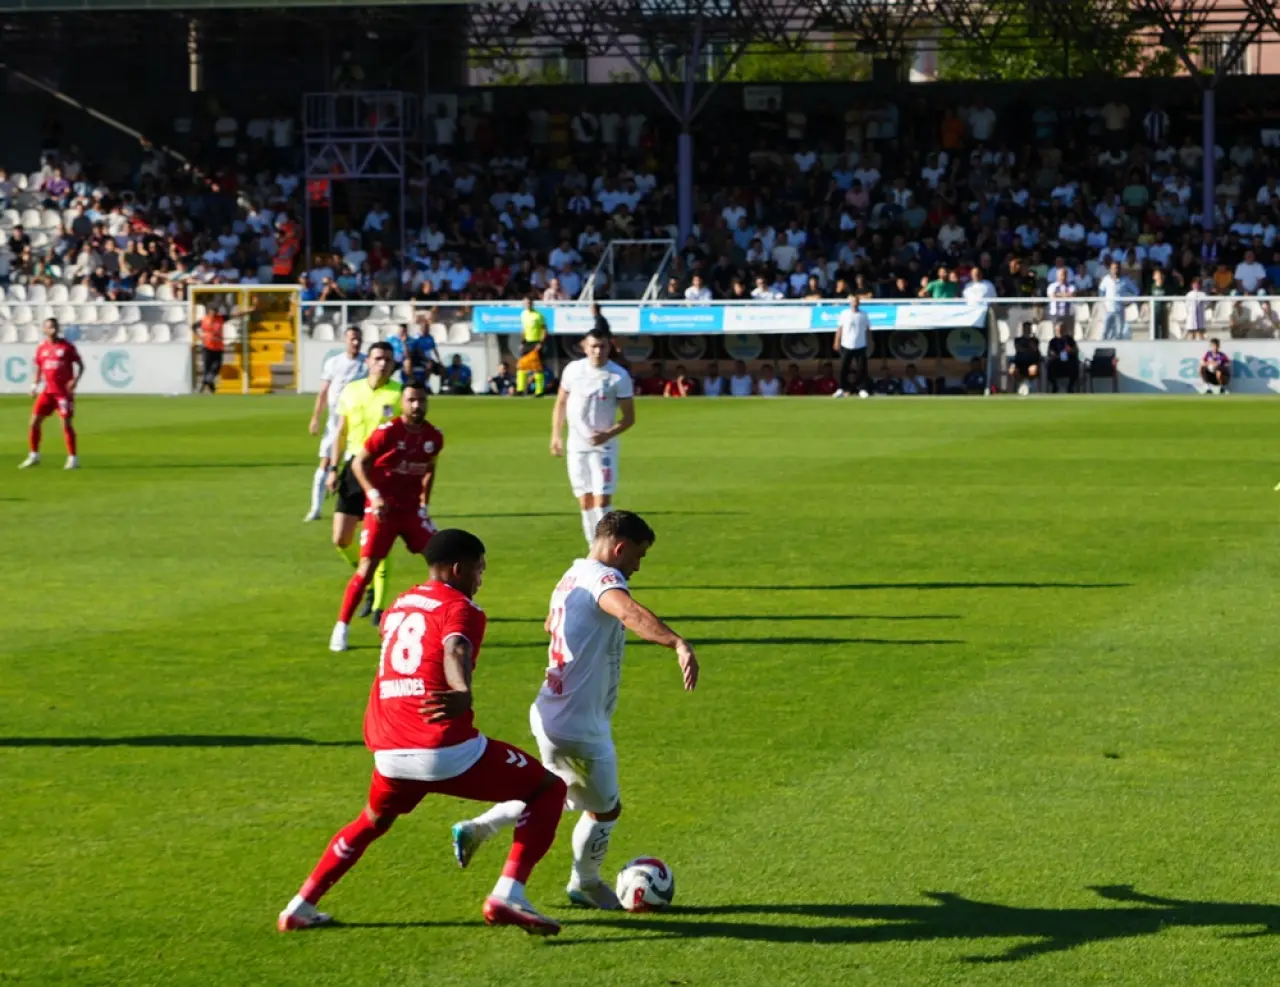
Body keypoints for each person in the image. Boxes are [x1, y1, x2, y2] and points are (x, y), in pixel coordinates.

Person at [280, 529, 568, 935]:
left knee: (370, 821)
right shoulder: (462, 607)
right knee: (548, 789)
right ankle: (509, 893)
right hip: (442, 747)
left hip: (389, 747)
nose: (481, 578)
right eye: (479, 570)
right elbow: (455, 648)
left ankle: (299, 906)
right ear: (458, 569)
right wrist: (462, 691)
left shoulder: (399, 603)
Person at [451, 512, 697, 911]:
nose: (637, 566)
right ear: (620, 548)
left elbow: (553, 624)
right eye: (639, 555)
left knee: (556, 792)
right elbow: (628, 613)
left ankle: (477, 829)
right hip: (579, 725)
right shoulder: (604, 578)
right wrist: (677, 643)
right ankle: (584, 882)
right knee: (604, 810)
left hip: (552, 710)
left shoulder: (571, 575)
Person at [330, 381, 442, 652]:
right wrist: (374, 494)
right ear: (402, 403)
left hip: (411, 511)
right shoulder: (388, 432)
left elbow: (429, 469)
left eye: (421, 400)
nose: (417, 406)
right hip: (384, 510)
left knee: (443, 558)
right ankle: (341, 628)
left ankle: (443, 621)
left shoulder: (433, 437)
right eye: (412, 400)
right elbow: (359, 462)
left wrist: (424, 503)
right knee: (367, 567)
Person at [328, 342, 402, 625]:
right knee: (341, 539)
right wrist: (333, 468)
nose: (382, 363)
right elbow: (342, 432)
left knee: (378, 540)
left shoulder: (398, 394)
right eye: (377, 358)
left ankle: (380, 607)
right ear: (368, 361)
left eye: (387, 359)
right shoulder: (352, 390)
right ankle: (366, 579)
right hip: (351, 468)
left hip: (383, 472)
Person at [550, 326, 636, 546]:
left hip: (604, 447)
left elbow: (629, 418)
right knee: (585, 500)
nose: (598, 351)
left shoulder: (618, 376)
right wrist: (556, 436)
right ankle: (593, 547)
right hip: (577, 446)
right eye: (594, 346)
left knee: (602, 500)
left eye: (602, 346)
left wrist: (607, 434)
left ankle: (607, 545)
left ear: (610, 347)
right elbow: (561, 402)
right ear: (584, 347)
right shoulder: (573, 370)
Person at [305, 327, 366, 522]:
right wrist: (315, 418)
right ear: (345, 340)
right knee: (326, 461)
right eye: (352, 339)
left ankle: (362, 508)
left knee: (360, 464)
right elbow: (323, 392)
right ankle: (315, 508)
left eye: (358, 339)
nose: (355, 343)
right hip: (335, 423)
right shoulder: (334, 363)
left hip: (358, 423)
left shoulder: (367, 363)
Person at [18, 319, 83, 470]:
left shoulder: (67, 347)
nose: (52, 329)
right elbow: (39, 368)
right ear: (44, 330)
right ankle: (33, 455)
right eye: (49, 327)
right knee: (34, 422)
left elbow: (81, 365)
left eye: (54, 326)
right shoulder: (42, 348)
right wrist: (34, 385)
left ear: (58, 328)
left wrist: (75, 380)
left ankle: (73, 458)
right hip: (47, 392)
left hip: (63, 394)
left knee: (66, 424)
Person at [196, 302, 242, 394]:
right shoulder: (204, 320)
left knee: (217, 366)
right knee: (207, 369)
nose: (214, 313)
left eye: (215, 311)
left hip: (218, 347)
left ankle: (205, 383)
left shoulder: (220, 318)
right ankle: (209, 389)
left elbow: (233, 315)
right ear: (209, 312)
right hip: (207, 347)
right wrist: (200, 336)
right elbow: (193, 326)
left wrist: (245, 312)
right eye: (212, 311)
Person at [833, 295, 870, 398]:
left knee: (861, 368)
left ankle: (862, 389)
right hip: (846, 344)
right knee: (844, 368)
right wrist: (836, 341)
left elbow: (867, 330)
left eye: (856, 301)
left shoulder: (863, 314)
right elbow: (840, 328)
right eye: (853, 301)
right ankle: (841, 389)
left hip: (860, 345)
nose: (855, 303)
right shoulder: (844, 314)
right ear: (850, 302)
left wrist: (870, 343)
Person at [517, 296, 548, 397]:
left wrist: (541, 343)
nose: (527, 305)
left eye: (529, 303)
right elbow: (524, 330)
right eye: (526, 303)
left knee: (537, 367)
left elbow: (544, 330)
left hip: (535, 343)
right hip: (527, 343)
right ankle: (520, 389)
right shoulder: (523, 314)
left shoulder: (538, 315)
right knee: (521, 366)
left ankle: (539, 391)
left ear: (532, 304)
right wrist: (522, 342)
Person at [1009, 323, 1042, 395]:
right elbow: (1019, 349)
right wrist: (1028, 349)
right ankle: (1013, 391)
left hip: (1032, 363)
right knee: (1012, 370)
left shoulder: (1034, 340)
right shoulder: (1018, 340)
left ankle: (1029, 386)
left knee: (1033, 369)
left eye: (1029, 328)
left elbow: (1035, 350)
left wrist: (1030, 344)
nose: (1027, 330)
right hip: (1020, 363)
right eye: (1026, 328)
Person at [1046, 322, 1080, 393]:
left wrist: (1070, 350)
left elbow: (1076, 351)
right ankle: (1054, 386)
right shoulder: (1053, 341)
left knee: (1075, 366)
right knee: (1051, 367)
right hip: (1057, 363)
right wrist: (1060, 354)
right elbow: (1051, 353)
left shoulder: (1070, 340)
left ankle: (1070, 387)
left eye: (1063, 329)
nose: (1061, 331)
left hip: (1069, 363)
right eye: (1059, 329)